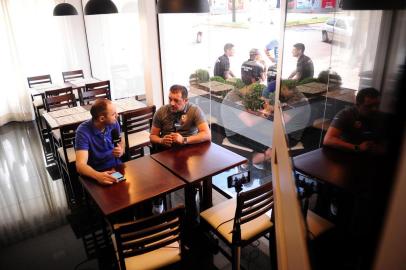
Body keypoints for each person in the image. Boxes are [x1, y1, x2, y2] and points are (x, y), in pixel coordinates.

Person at [252, 80, 311, 165]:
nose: (278, 94)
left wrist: (265, 113)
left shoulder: (298, 101)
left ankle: (263, 160)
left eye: (279, 91)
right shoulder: (292, 97)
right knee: (252, 130)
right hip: (281, 130)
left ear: (284, 88)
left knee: (251, 132)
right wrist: (270, 109)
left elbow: (281, 120)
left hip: (289, 136)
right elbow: (281, 109)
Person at [75, 99, 124, 185]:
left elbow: (120, 140)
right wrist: (98, 176)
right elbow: (80, 165)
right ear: (102, 118)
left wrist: (121, 150)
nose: (117, 115)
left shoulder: (114, 123)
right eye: (113, 114)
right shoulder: (82, 131)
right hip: (96, 171)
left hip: (116, 167)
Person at [150, 84, 211, 151]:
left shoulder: (194, 110)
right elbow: (152, 136)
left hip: (189, 148)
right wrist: (161, 140)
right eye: (170, 99)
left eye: (176, 100)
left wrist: (184, 140)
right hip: (166, 150)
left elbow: (207, 134)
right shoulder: (161, 111)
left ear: (186, 100)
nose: (172, 103)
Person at [323, 87, 383, 153]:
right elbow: (328, 140)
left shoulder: (379, 116)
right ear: (357, 105)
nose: (374, 109)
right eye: (369, 106)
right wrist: (358, 148)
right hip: (347, 154)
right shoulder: (347, 114)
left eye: (377, 105)